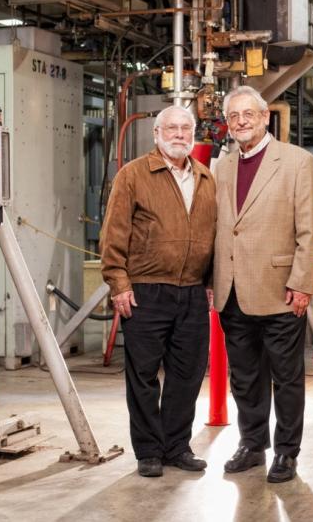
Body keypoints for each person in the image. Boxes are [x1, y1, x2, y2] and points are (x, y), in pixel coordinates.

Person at [212, 85, 313, 483]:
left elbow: (311, 229)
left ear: (265, 117)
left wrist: (303, 283)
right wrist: (213, 280)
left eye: (248, 114)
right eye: (233, 116)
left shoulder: (296, 162)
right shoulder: (221, 166)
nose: (241, 122)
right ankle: (252, 444)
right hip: (233, 291)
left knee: (286, 377)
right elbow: (220, 228)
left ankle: (287, 452)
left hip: (280, 289)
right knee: (244, 376)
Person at [100, 106, 216, 478]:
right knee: (144, 376)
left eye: (187, 128)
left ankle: (177, 447)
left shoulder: (205, 178)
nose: (180, 134)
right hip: (146, 291)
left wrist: (211, 282)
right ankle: (149, 451)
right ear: (156, 134)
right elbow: (113, 234)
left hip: (192, 292)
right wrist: (119, 282)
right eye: (172, 128)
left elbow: (213, 235)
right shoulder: (133, 175)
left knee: (188, 375)